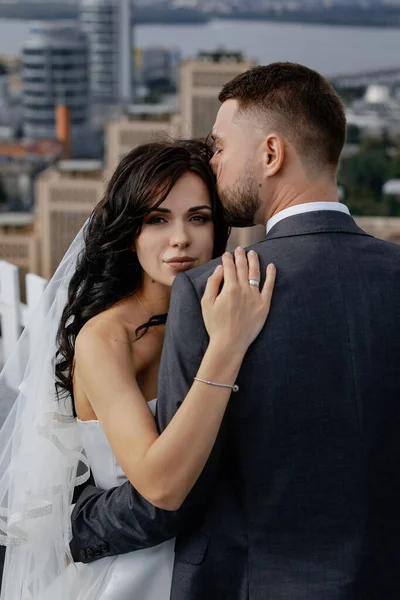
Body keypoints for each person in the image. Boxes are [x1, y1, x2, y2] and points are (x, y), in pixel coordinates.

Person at [69, 62, 400, 600]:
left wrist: (73, 525)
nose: (215, 161)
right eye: (157, 219)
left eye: (220, 147)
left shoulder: (214, 292)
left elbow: (178, 492)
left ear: (270, 154)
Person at [0, 139, 276, 600]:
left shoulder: (227, 311)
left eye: (198, 218)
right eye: (157, 219)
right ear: (130, 232)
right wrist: (227, 347)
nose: (180, 238)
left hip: (224, 568)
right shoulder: (106, 338)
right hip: (131, 575)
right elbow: (160, 486)